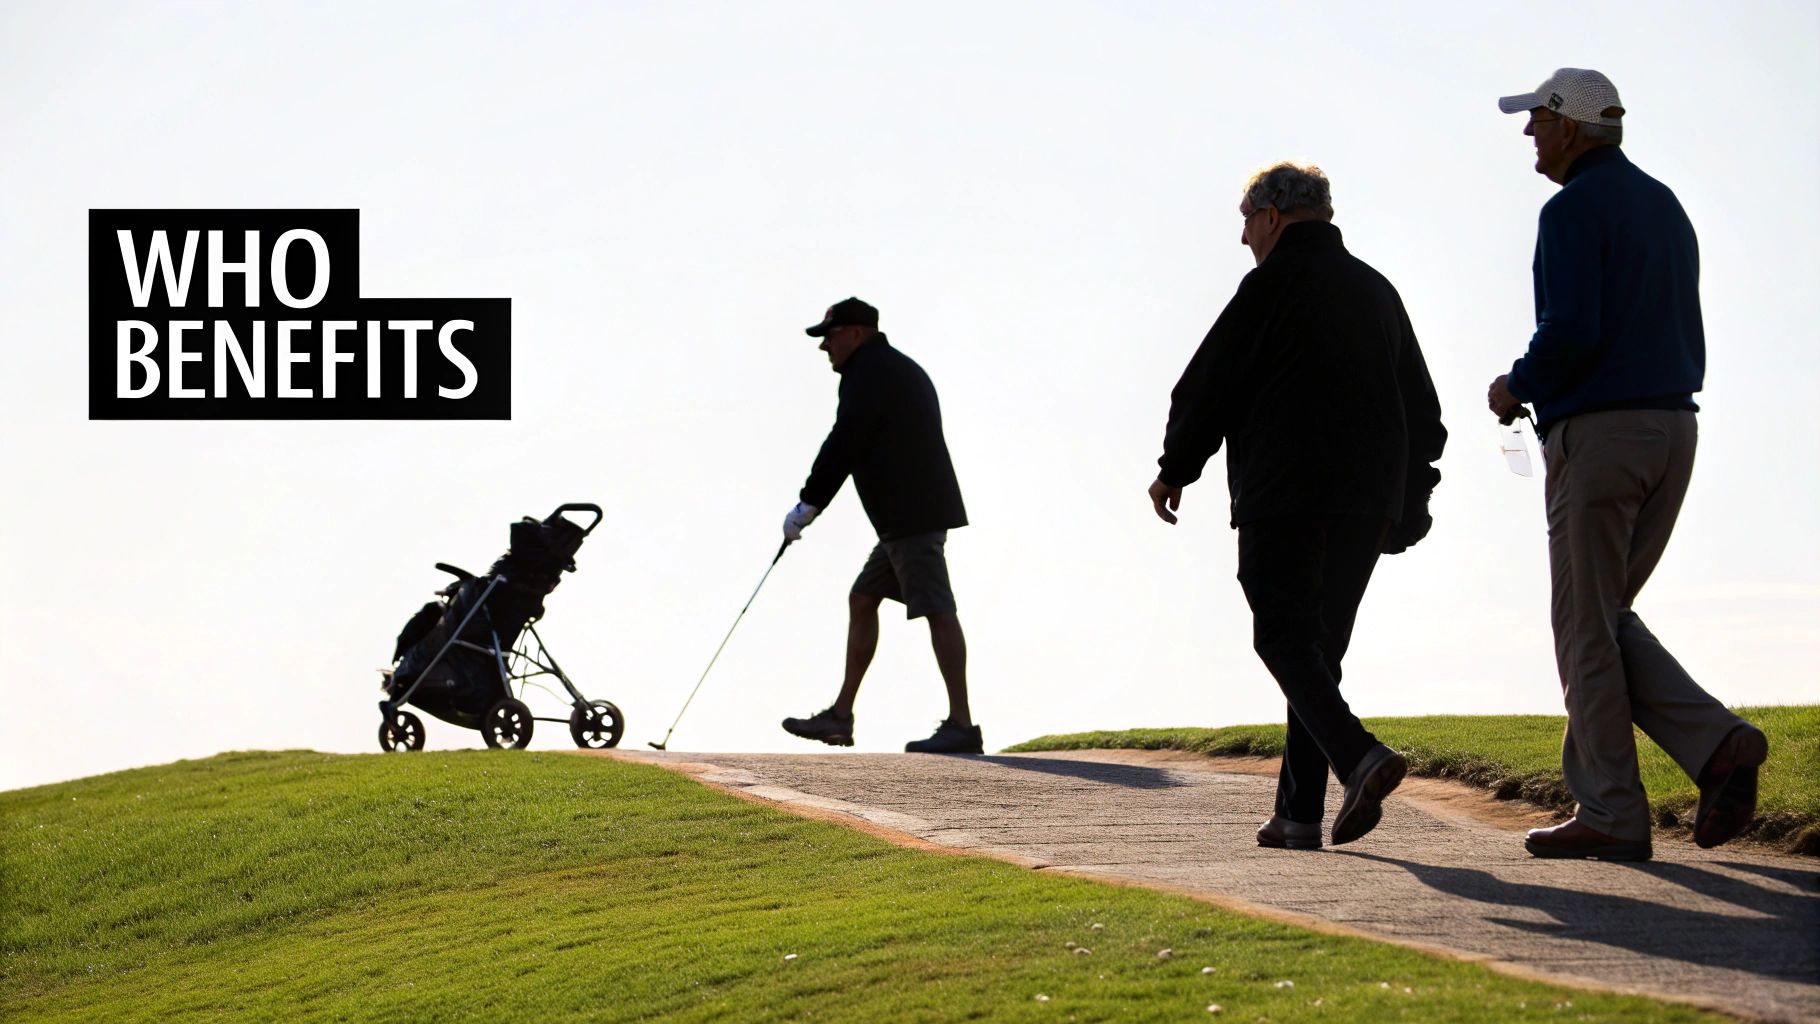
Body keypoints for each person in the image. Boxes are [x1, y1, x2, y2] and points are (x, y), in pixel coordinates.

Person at [1488, 69, 1767, 862]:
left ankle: (1611, 809)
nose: (1529, 133)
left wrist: (1517, 384)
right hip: (1673, 429)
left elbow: (1572, 329)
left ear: (1573, 128)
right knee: (1603, 618)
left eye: (1539, 119)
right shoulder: (1664, 203)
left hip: (1601, 434)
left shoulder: (1571, 207)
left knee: (1583, 627)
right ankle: (1714, 747)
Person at [1150, 163, 1446, 849]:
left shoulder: (1269, 286)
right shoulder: (1376, 290)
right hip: (1366, 501)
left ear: (1273, 217)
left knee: (1280, 636)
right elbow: (1424, 411)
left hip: (1283, 491)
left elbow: (1206, 386)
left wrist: (1174, 468)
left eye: (1246, 222)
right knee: (1317, 654)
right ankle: (1299, 813)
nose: (1244, 238)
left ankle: (1358, 756)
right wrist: (1413, 496)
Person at [778, 297, 982, 754]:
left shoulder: (870, 372)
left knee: (936, 607)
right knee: (864, 595)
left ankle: (963, 726)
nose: (824, 347)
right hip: (903, 516)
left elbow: (844, 443)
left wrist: (808, 505)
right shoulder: (883, 368)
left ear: (855, 333)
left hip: (912, 515)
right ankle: (841, 715)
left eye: (829, 336)